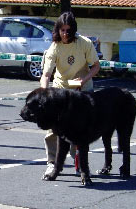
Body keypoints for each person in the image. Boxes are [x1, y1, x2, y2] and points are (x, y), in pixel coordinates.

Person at [40, 11, 100, 178]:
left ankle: (79, 163)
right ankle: (52, 163)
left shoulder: (85, 43)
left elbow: (96, 66)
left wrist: (84, 78)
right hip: (61, 90)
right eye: (62, 30)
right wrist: (45, 93)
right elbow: (46, 75)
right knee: (54, 129)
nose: (65, 34)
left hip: (82, 90)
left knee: (79, 129)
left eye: (68, 30)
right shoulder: (54, 47)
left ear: (73, 30)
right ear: (57, 30)